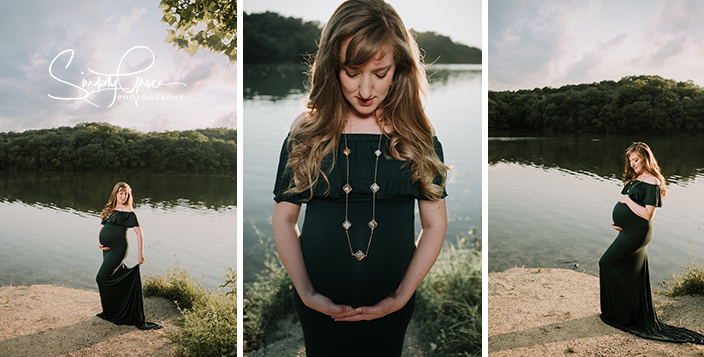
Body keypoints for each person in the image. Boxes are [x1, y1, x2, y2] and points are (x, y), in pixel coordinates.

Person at [272, 0, 449, 355]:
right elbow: (284, 218)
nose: (365, 90)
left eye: (379, 74)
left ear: (399, 68)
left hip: (392, 309)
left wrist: (401, 296)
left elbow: (434, 225)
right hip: (317, 310)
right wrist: (306, 292)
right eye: (352, 73)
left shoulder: (417, 134)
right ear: (331, 67)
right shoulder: (307, 131)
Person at [599, 142, 704, 343]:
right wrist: (620, 223)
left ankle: (619, 314)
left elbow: (647, 214)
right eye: (630, 160)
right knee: (630, 271)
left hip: (639, 233)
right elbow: (630, 210)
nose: (633, 164)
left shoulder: (653, 182)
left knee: (607, 263)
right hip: (628, 231)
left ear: (646, 159)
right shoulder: (635, 179)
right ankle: (624, 313)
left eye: (636, 160)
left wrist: (627, 202)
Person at [96, 182, 161, 330]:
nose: (123, 196)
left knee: (101, 278)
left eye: (126, 194)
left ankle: (114, 312)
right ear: (115, 194)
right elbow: (102, 226)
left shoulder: (128, 211)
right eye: (121, 193)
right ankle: (112, 310)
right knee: (111, 277)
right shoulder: (110, 209)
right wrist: (99, 241)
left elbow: (139, 233)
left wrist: (140, 254)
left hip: (119, 249)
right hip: (106, 249)